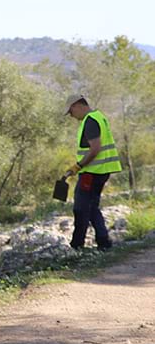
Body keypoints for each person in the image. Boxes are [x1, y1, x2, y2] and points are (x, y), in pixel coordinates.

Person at [63, 94, 122, 250]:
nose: (71, 115)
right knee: (91, 206)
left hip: (92, 172)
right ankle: (104, 242)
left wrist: (77, 166)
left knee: (81, 208)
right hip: (100, 171)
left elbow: (95, 148)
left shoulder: (90, 121)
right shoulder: (98, 116)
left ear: (77, 105)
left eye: (71, 111)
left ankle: (77, 245)